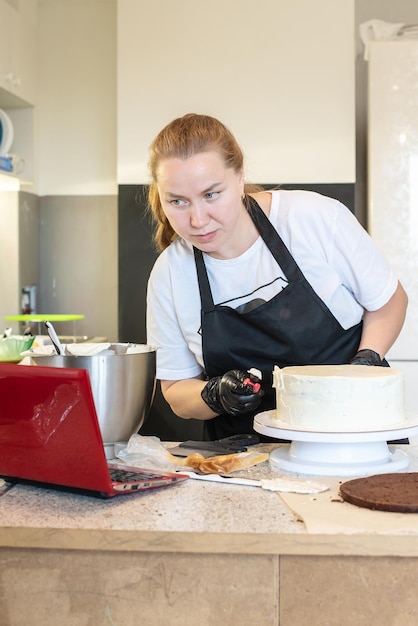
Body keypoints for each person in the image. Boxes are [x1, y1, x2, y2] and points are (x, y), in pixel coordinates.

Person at [145, 113, 408, 440]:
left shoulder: (311, 218)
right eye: (178, 201)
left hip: (353, 431)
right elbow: (176, 391)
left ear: (239, 177)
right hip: (245, 456)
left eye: (211, 194)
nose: (198, 220)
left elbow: (390, 301)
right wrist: (216, 395)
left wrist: (363, 366)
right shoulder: (170, 274)